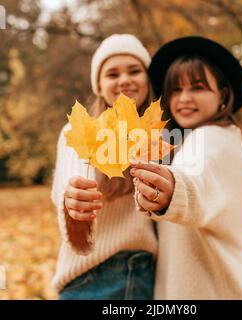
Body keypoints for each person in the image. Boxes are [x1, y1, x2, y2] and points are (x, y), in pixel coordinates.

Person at [130, 36, 242, 299]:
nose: (184, 98)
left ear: (223, 95)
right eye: (175, 90)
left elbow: (197, 181)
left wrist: (171, 189)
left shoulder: (210, 138)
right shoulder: (204, 139)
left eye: (197, 87)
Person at [51, 34, 157, 300]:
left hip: (144, 276)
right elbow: (67, 188)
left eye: (135, 70)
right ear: (98, 85)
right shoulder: (79, 131)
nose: (124, 80)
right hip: (89, 277)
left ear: (147, 78)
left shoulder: (160, 137)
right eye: (112, 74)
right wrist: (72, 201)